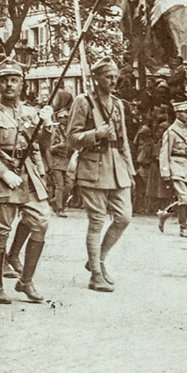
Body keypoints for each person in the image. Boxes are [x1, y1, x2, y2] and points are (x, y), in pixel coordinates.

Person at [0, 58, 55, 305]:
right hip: (2, 179)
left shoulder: (30, 112)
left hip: (28, 176)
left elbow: (42, 145)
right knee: (1, 233)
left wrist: (47, 125)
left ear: (22, 84)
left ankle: (25, 281)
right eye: (5, 80)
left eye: (14, 80)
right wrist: (2, 172)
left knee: (41, 221)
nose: (9, 85)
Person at [67, 61, 134, 293]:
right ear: (96, 78)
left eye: (115, 77)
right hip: (93, 167)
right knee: (96, 221)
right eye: (108, 77)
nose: (113, 81)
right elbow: (72, 138)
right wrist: (96, 133)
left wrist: (130, 170)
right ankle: (96, 274)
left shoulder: (117, 104)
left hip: (117, 167)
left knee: (124, 218)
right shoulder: (83, 101)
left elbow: (123, 139)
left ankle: (98, 259)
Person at [157, 101, 187, 239]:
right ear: (178, 114)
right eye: (185, 112)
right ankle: (183, 228)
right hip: (175, 166)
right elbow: (164, 153)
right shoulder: (171, 131)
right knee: (184, 198)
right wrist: (165, 172)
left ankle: (164, 214)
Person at [45, 88, 76, 218]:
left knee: (69, 185)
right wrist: (60, 146)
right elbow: (49, 147)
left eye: (67, 118)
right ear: (59, 118)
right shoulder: (55, 130)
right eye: (64, 118)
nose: (66, 120)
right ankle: (59, 208)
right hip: (57, 161)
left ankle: (54, 202)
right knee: (59, 185)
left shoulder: (70, 130)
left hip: (67, 162)